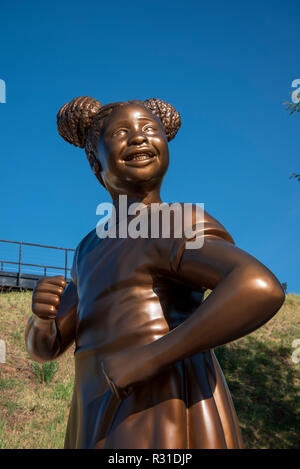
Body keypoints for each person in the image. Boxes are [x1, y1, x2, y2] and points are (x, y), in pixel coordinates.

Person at [25, 96, 285, 449]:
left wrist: (150, 358)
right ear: (93, 162)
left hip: (163, 400)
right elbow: (48, 346)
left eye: (150, 129)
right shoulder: (88, 248)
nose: (139, 137)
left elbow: (257, 287)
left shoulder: (174, 221)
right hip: (94, 405)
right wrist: (43, 318)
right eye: (121, 132)